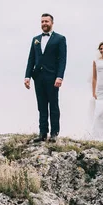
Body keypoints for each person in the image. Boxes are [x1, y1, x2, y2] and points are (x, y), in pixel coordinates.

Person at [24, 13, 67, 142]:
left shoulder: (60, 39)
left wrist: (59, 76)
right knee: (41, 105)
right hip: (38, 77)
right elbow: (31, 58)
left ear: (52, 23)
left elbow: (62, 60)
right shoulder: (35, 39)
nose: (44, 24)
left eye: (46, 21)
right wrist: (27, 76)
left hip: (52, 77)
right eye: (42, 21)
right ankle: (42, 133)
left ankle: (54, 133)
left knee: (53, 105)